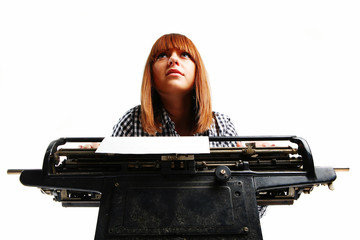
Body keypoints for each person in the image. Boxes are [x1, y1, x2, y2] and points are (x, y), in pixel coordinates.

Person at [86, 33, 267, 217]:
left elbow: (250, 212)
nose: (173, 59)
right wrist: (92, 162)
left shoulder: (221, 125)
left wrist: (258, 169)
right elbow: (107, 201)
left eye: (185, 55)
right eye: (162, 55)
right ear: (151, 74)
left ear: (198, 71)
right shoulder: (132, 121)